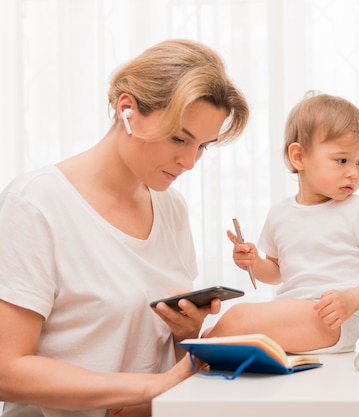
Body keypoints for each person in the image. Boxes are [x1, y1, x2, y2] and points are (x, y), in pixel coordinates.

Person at [0, 39, 249, 417]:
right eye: (179, 138)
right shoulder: (36, 204)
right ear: (127, 110)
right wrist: (148, 388)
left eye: (203, 146)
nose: (189, 161)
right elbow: (7, 369)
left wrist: (185, 333)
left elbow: (157, 355)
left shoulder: (171, 208)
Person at [204, 92, 359, 354]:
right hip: (293, 313)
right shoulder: (280, 214)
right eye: (342, 160)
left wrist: (351, 301)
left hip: (330, 319)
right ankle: (208, 341)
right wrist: (254, 263)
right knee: (236, 324)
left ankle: (205, 342)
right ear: (299, 157)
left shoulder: (358, 210)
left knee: (237, 319)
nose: (353, 171)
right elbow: (277, 272)